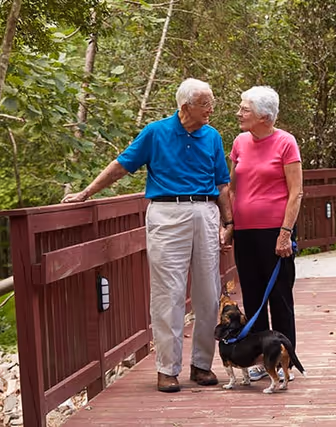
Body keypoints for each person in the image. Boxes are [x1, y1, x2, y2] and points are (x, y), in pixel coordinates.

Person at [62, 78, 234, 393]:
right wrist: (86, 193)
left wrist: (229, 221)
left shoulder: (212, 137)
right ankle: (167, 369)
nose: (212, 109)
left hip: (206, 213)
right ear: (186, 107)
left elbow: (223, 184)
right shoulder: (156, 132)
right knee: (168, 292)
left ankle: (201, 365)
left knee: (209, 292)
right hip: (167, 214)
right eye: (205, 103)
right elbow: (121, 166)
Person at [228, 86, 303, 381]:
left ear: (264, 116)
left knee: (280, 297)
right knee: (254, 297)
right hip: (245, 232)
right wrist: (230, 224)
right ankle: (261, 359)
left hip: (276, 230)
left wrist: (285, 233)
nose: (239, 113)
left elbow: (296, 192)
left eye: (245, 109)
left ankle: (286, 360)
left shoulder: (285, 142)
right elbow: (231, 187)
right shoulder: (239, 142)